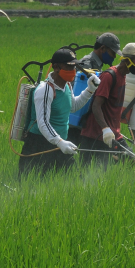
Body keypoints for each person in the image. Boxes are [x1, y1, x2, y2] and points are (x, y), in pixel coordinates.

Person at [18, 48, 100, 177]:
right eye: (69, 67)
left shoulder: (67, 85)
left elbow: (72, 106)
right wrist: (59, 142)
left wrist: (90, 90)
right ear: (56, 67)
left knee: (76, 183)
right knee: (33, 186)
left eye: (74, 67)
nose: (73, 71)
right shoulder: (45, 90)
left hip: (59, 143)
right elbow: (42, 122)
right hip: (38, 145)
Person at [79, 43, 135, 166]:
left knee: (129, 161)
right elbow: (96, 105)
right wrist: (105, 129)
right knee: (90, 171)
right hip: (96, 135)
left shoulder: (123, 76)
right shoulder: (109, 76)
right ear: (127, 60)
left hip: (113, 133)